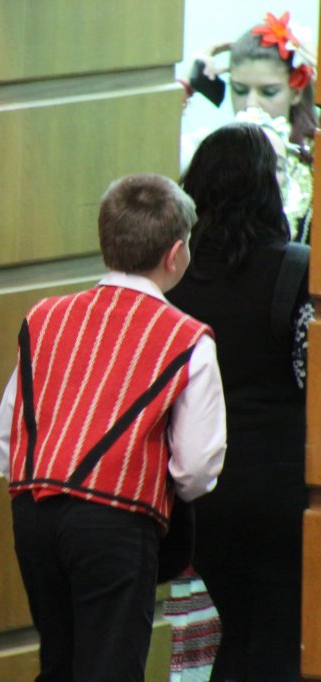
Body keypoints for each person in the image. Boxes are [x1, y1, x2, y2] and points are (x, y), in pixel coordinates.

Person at [0, 174, 227, 681]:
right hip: (116, 521)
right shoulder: (188, 339)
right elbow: (195, 468)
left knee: (58, 662)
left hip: (34, 512)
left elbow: (10, 434)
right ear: (177, 254)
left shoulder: (44, 317)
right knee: (110, 668)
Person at [167, 122, 311, 681]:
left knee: (241, 628)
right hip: (285, 489)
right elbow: (311, 379)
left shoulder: (174, 280)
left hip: (203, 494)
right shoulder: (296, 269)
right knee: (282, 635)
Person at [185, 10, 316, 241]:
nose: (251, 104)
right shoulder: (210, 153)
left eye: (268, 92)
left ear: (296, 91)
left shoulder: (315, 156)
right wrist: (189, 84)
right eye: (239, 90)